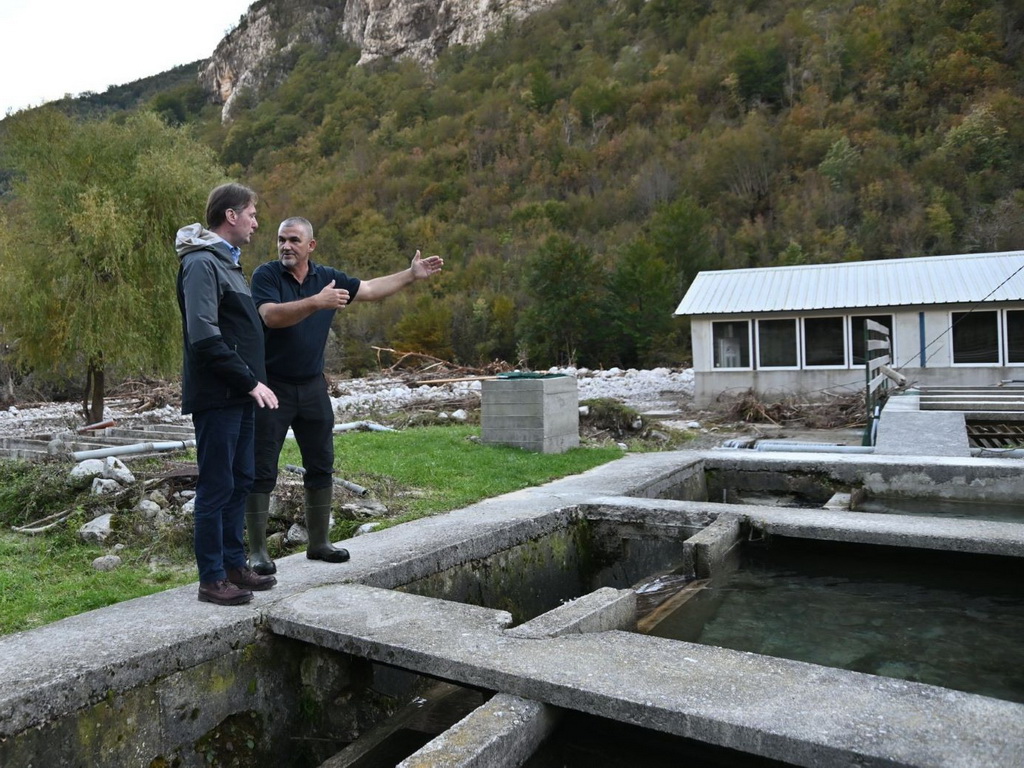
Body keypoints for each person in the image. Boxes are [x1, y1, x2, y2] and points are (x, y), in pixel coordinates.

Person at [245, 216, 443, 574]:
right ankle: (257, 552)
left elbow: (368, 289)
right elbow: (270, 316)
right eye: (281, 240)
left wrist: (410, 275)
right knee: (261, 468)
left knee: (321, 464)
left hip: (312, 386)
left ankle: (318, 543)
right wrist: (317, 302)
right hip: (272, 386)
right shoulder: (267, 275)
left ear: (311, 246)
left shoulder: (327, 277)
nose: (285, 246)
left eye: (293, 240)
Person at [176, 183, 281, 606]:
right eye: (252, 214)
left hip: (238, 395)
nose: (257, 222)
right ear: (231, 215)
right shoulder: (202, 263)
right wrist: (249, 380)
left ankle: (235, 566)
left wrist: (250, 384)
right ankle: (212, 577)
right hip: (219, 394)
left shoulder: (228, 264)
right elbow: (204, 337)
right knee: (216, 486)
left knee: (240, 481)